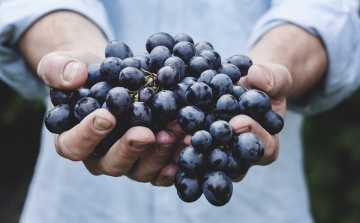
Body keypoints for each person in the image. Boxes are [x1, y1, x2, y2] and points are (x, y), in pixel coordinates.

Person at [1, 0, 360, 222]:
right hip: (80, 208)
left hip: (257, 206)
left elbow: (327, 8)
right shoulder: (133, 91)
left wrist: (274, 67)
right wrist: (70, 49)